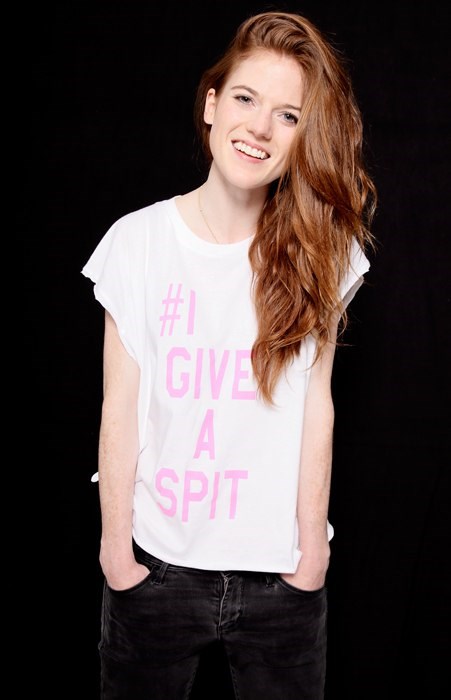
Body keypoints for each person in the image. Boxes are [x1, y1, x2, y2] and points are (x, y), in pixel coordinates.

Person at [82, 10, 376, 700]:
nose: (260, 128)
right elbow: (120, 405)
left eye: (287, 115)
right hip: (156, 567)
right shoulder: (137, 242)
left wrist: (311, 553)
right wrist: (116, 551)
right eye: (245, 99)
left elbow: (317, 406)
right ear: (212, 105)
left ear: (303, 137)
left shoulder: (323, 252)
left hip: (280, 577)